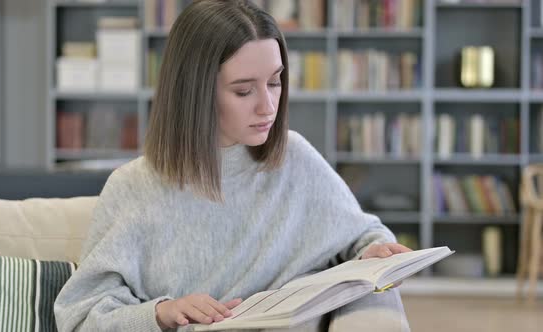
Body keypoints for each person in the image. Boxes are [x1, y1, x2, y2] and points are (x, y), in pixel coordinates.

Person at [54, 1, 412, 331]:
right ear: (195, 91)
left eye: (274, 82)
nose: (268, 106)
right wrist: (161, 313)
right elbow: (80, 316)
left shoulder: (295, 158)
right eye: (244, 91)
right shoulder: (133, 187)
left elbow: (363, 234)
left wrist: (374, 251)